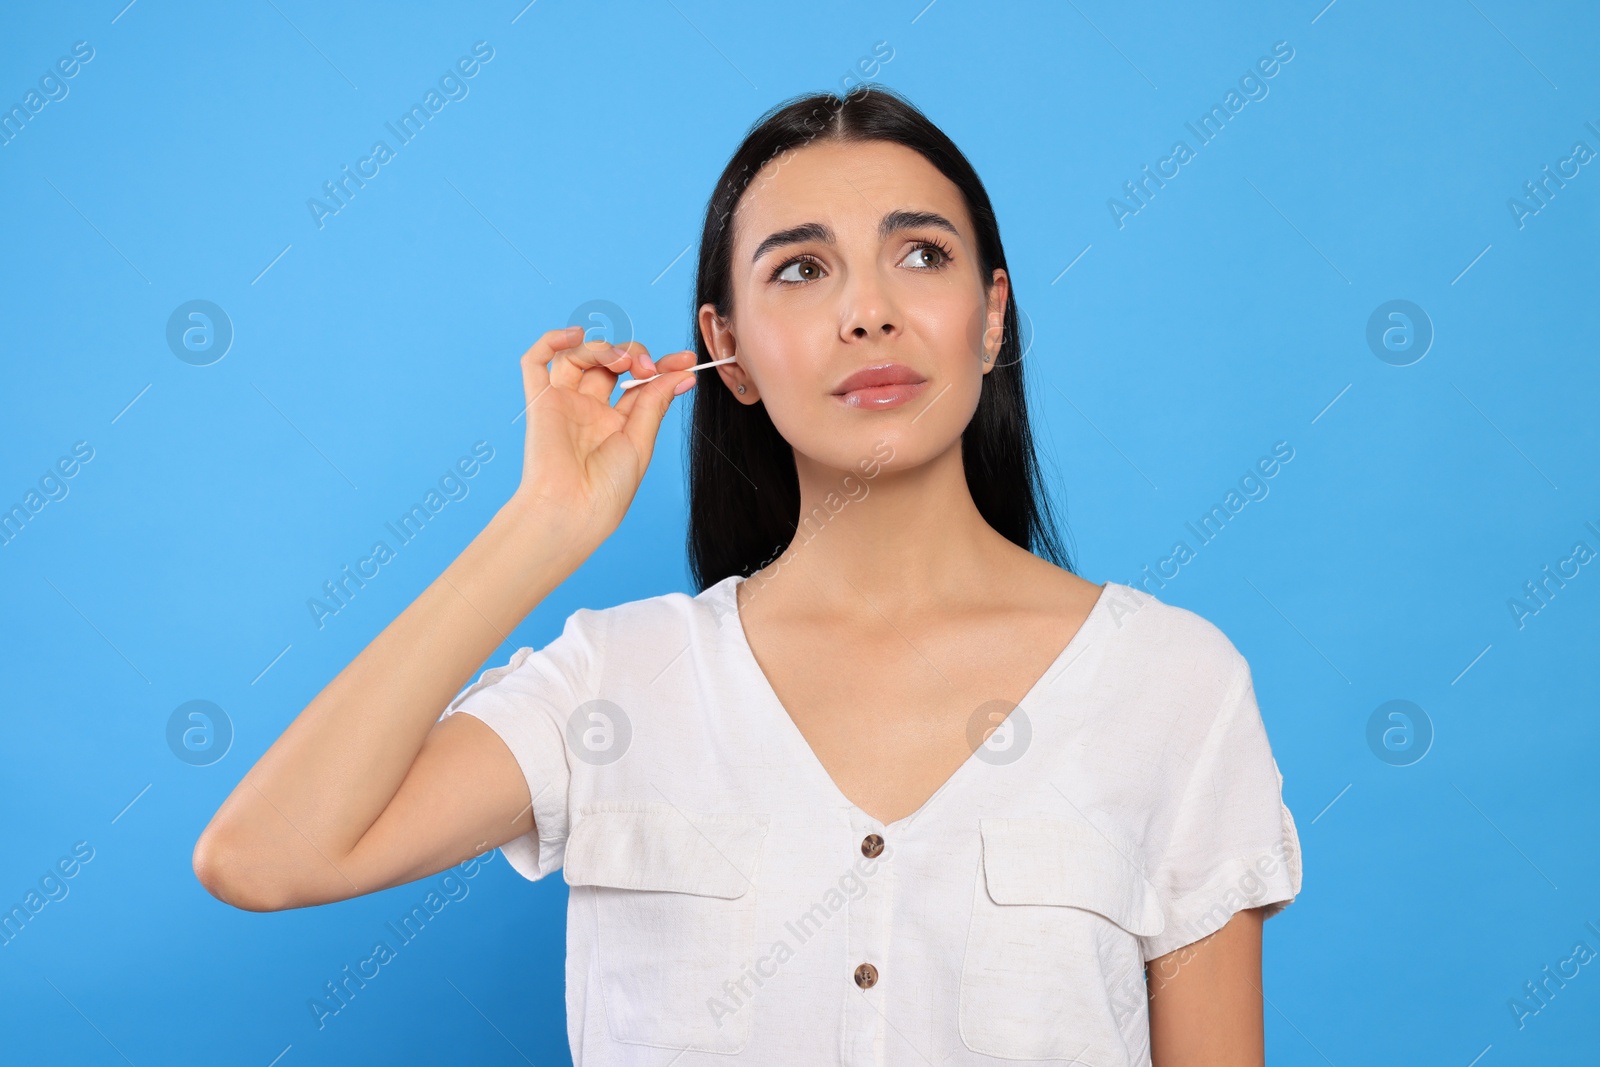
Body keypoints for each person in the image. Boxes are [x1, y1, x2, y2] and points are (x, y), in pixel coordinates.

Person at [193, 85, 1301, 1066]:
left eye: (920, 255)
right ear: (728, 348)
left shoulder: (1169, 684)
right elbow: (267, 855)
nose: (868, 308)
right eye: (803, 269)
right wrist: (543, 524)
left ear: (991, 317)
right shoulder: (611, 683)